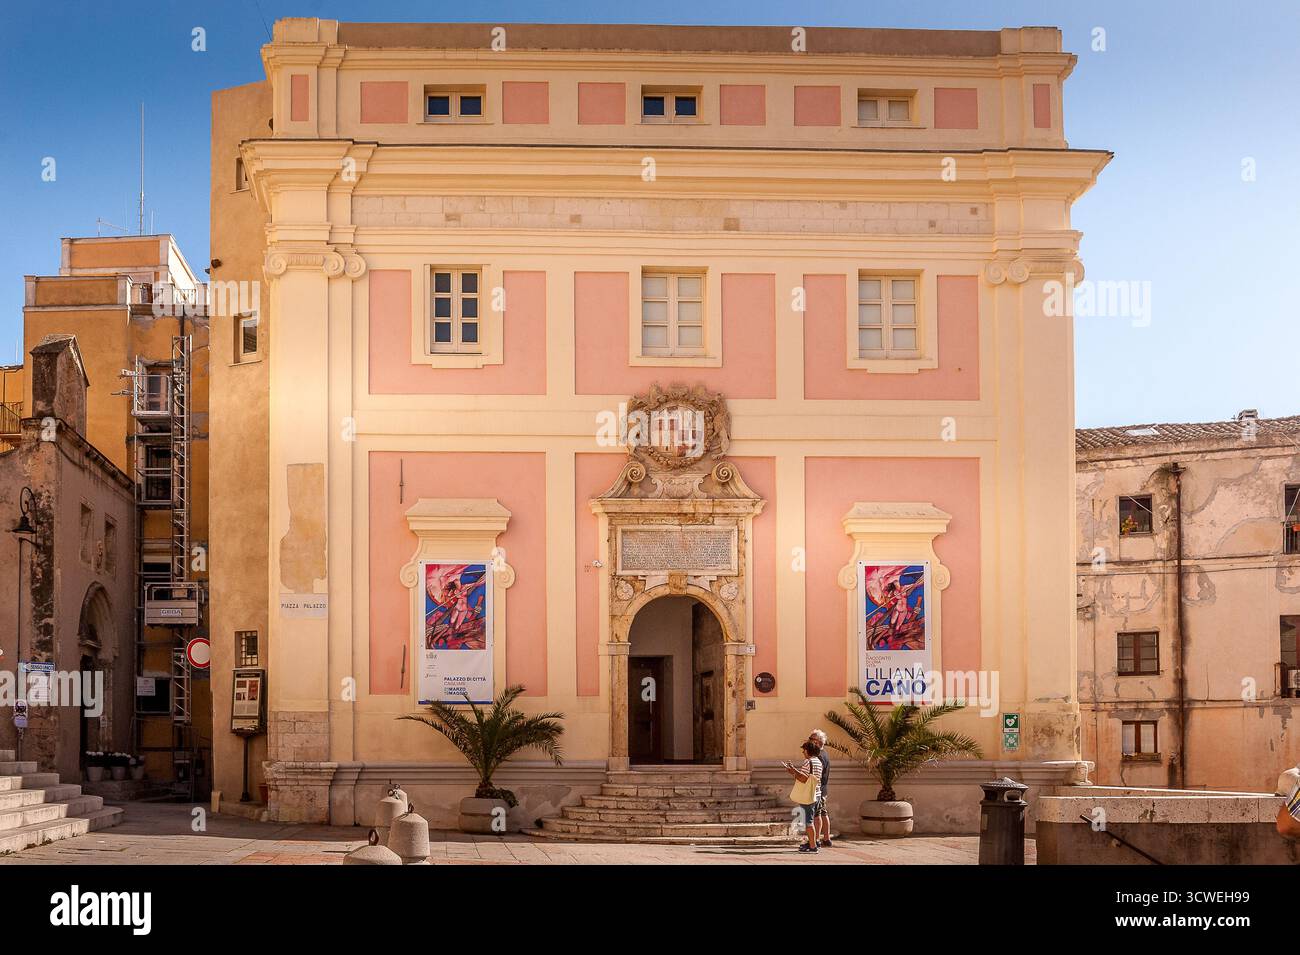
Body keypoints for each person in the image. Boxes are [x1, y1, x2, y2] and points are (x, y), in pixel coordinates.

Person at [783, 740, 823, 853]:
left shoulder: (808, 762)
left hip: (808, 795)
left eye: (804, 750)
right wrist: (794, 770)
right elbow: (809, 776)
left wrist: (792, 772)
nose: (803, 752)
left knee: (808, 822)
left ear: (808, 750)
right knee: (813, 818)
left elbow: (803, 779)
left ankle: (813, 846)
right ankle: (813, 843)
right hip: (817, 793)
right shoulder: (819, 762)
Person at [809, 729, 832, 848]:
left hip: (819, 789)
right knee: (823, 813)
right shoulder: (825, 753)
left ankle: (817, 839)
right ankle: (826, 838)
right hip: (823, 789)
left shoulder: (819, 756)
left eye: (811, 739)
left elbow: (817, 774)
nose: (809, 742)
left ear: (817, 742)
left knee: (817, 814)